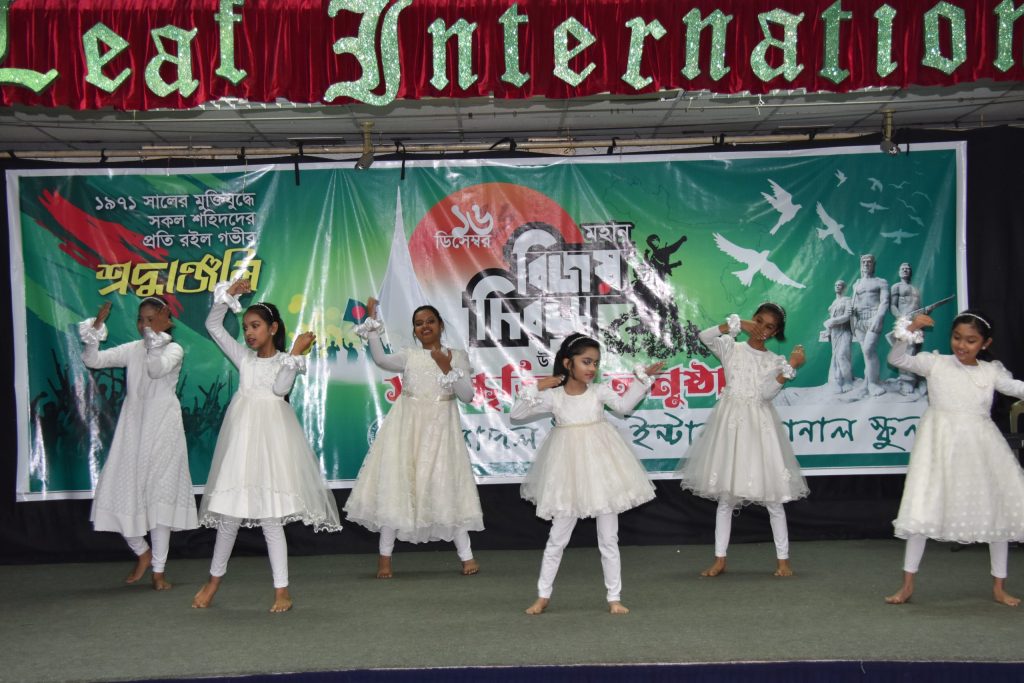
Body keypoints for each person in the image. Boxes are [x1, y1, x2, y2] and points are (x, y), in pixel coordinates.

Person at [192, 279, 341, 613]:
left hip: (271, 445)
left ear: (273, 328)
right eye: (246, 327)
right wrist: (228, 295)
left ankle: (281, 590)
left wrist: (295, 354)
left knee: (271, 519)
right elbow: (213, 326)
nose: (248, 332)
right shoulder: (244, 359)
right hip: (241, 444)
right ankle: (213, 582)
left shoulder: (285, 361)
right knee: (229, 515)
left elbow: (279, 390)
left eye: (255, 326)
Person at [511, 333, 663, 615]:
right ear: (567, 363)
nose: (592, 368)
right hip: (566, 472)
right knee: (557, 538)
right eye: (586, 361)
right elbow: (516, 414)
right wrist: (536, 386)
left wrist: (642, 380)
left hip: (602, 471)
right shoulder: (554, 396)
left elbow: (624, 407)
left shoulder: (599, 392)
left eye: (595, 362)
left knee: (608, 538)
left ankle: (614, 597)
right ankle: (543, 595)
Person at [885, 311, 1024, 607]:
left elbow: (1016, 388)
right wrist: (910, 329)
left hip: (982, 448)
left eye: (971, 341)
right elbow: (897, 359)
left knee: (998, 512)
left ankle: (999, 587)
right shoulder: (936, 363)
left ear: (985, 343)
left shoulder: (991, 372)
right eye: (957, 338)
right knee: (921, 509)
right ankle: (907, 584)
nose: (962, 345)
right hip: (938, 447)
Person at [345, 298, 484, 579]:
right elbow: (382, 360)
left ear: (440, 325)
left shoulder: (457, 356)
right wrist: (373, 327)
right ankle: (385, 557)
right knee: (398, 487)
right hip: (406, 429)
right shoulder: (409, 355)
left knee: (447, 486)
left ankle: (466, 555)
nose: (425, 326)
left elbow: (467, 395)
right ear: (414, 330)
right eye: (419, 324)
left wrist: (447, 367)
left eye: (430, 321)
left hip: (441, 431)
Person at [679, 303, 808, 577]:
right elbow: (704, 336)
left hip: (760, 428)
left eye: (769, 326)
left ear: (776, 332)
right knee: (726, 497)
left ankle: (783, 560)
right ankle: (719, 559)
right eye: (758, 321)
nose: (761, 329)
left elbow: (766, 394)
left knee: (774, 497)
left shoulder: (774, 360)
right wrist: (734, 325)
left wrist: (790, 367)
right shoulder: (731, 347)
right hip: (730, 427)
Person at [78, 296, 198, 590]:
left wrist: (155, 341)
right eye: (141, 319)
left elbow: (156, 369)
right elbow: (92, 360)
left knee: (159, 498)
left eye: (151, 319)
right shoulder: (133, 349)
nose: (144, 325)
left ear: (166, 321)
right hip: (133, 428)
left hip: (164, 429)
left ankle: (159, 570)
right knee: (116, 490)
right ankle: (142, 552)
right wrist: (95, 331)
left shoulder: (173, 349)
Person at [849, 254, 889, 396]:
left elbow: (885, 302)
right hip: (859, 321)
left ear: (874, 264)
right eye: (863, 262)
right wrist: (852, 311)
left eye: (869, 262)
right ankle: (867, 381)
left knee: (868, 350)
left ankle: (873, 383)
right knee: (866, 353)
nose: (866, 264)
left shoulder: (881, 282)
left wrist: (879, 318)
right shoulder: (856, 284)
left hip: (873, 318)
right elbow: (855, 302)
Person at [889, 263, 922, 395]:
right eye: (902, 268)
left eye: (907, 268)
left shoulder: (915, 289)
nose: (905, 270)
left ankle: (912, 380)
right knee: (903, 350)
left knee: (912, 350)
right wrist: (901, 317)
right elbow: (892, 306)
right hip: (903, 322)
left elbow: (917, 307)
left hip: (915, 322)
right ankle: (905, 381)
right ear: (899, 272)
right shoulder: (896, 287)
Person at [823, 279, 854, 393]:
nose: (837, 286)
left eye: (840, 285)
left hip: (845, 331)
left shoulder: (848, 300)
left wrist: (832, 321)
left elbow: (847, 317)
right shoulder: (833, 303)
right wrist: (828, 328)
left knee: (842, 355)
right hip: (835, 332)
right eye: (836, 285)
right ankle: (837, 381)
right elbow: (831, 319)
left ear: (844, 288)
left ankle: (848, 381)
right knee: (835, 357)